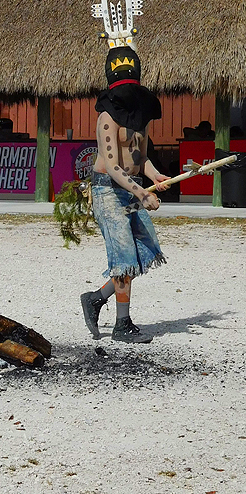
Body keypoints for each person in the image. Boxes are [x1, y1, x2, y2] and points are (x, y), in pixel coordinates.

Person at [80, 46, 170, 343]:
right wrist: (142, 194)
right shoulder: (107, 118)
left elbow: (140, 158)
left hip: (132, 191)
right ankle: (122, 324)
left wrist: (155, 176)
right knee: (124, 257)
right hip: (108, 192)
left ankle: (96, 298)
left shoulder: (141, 118)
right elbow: (112, 166)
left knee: (146, 249)